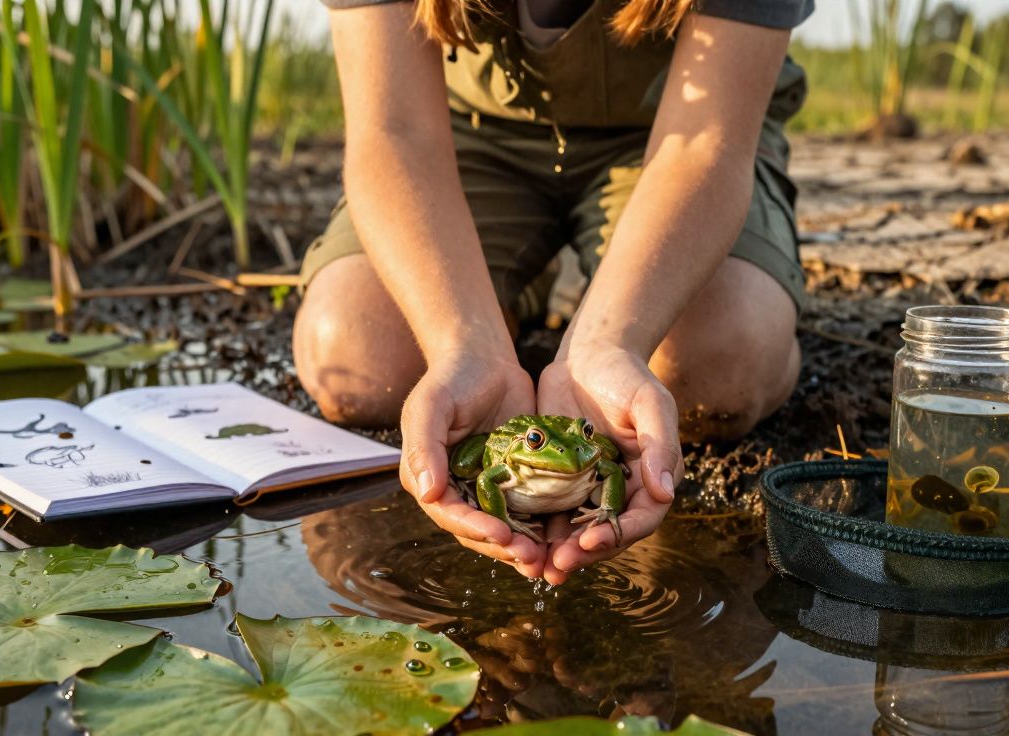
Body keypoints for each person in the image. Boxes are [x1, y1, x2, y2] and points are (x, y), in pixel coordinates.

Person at [293, 0, 811, 585]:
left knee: (713, 366)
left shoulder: (588, 461)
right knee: (358, 355)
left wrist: (609, 343)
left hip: (673, 136)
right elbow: (395, 128)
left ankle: (594, 304)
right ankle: (510, 295)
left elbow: (706, 140)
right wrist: (464, 343)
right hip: (460, 128)